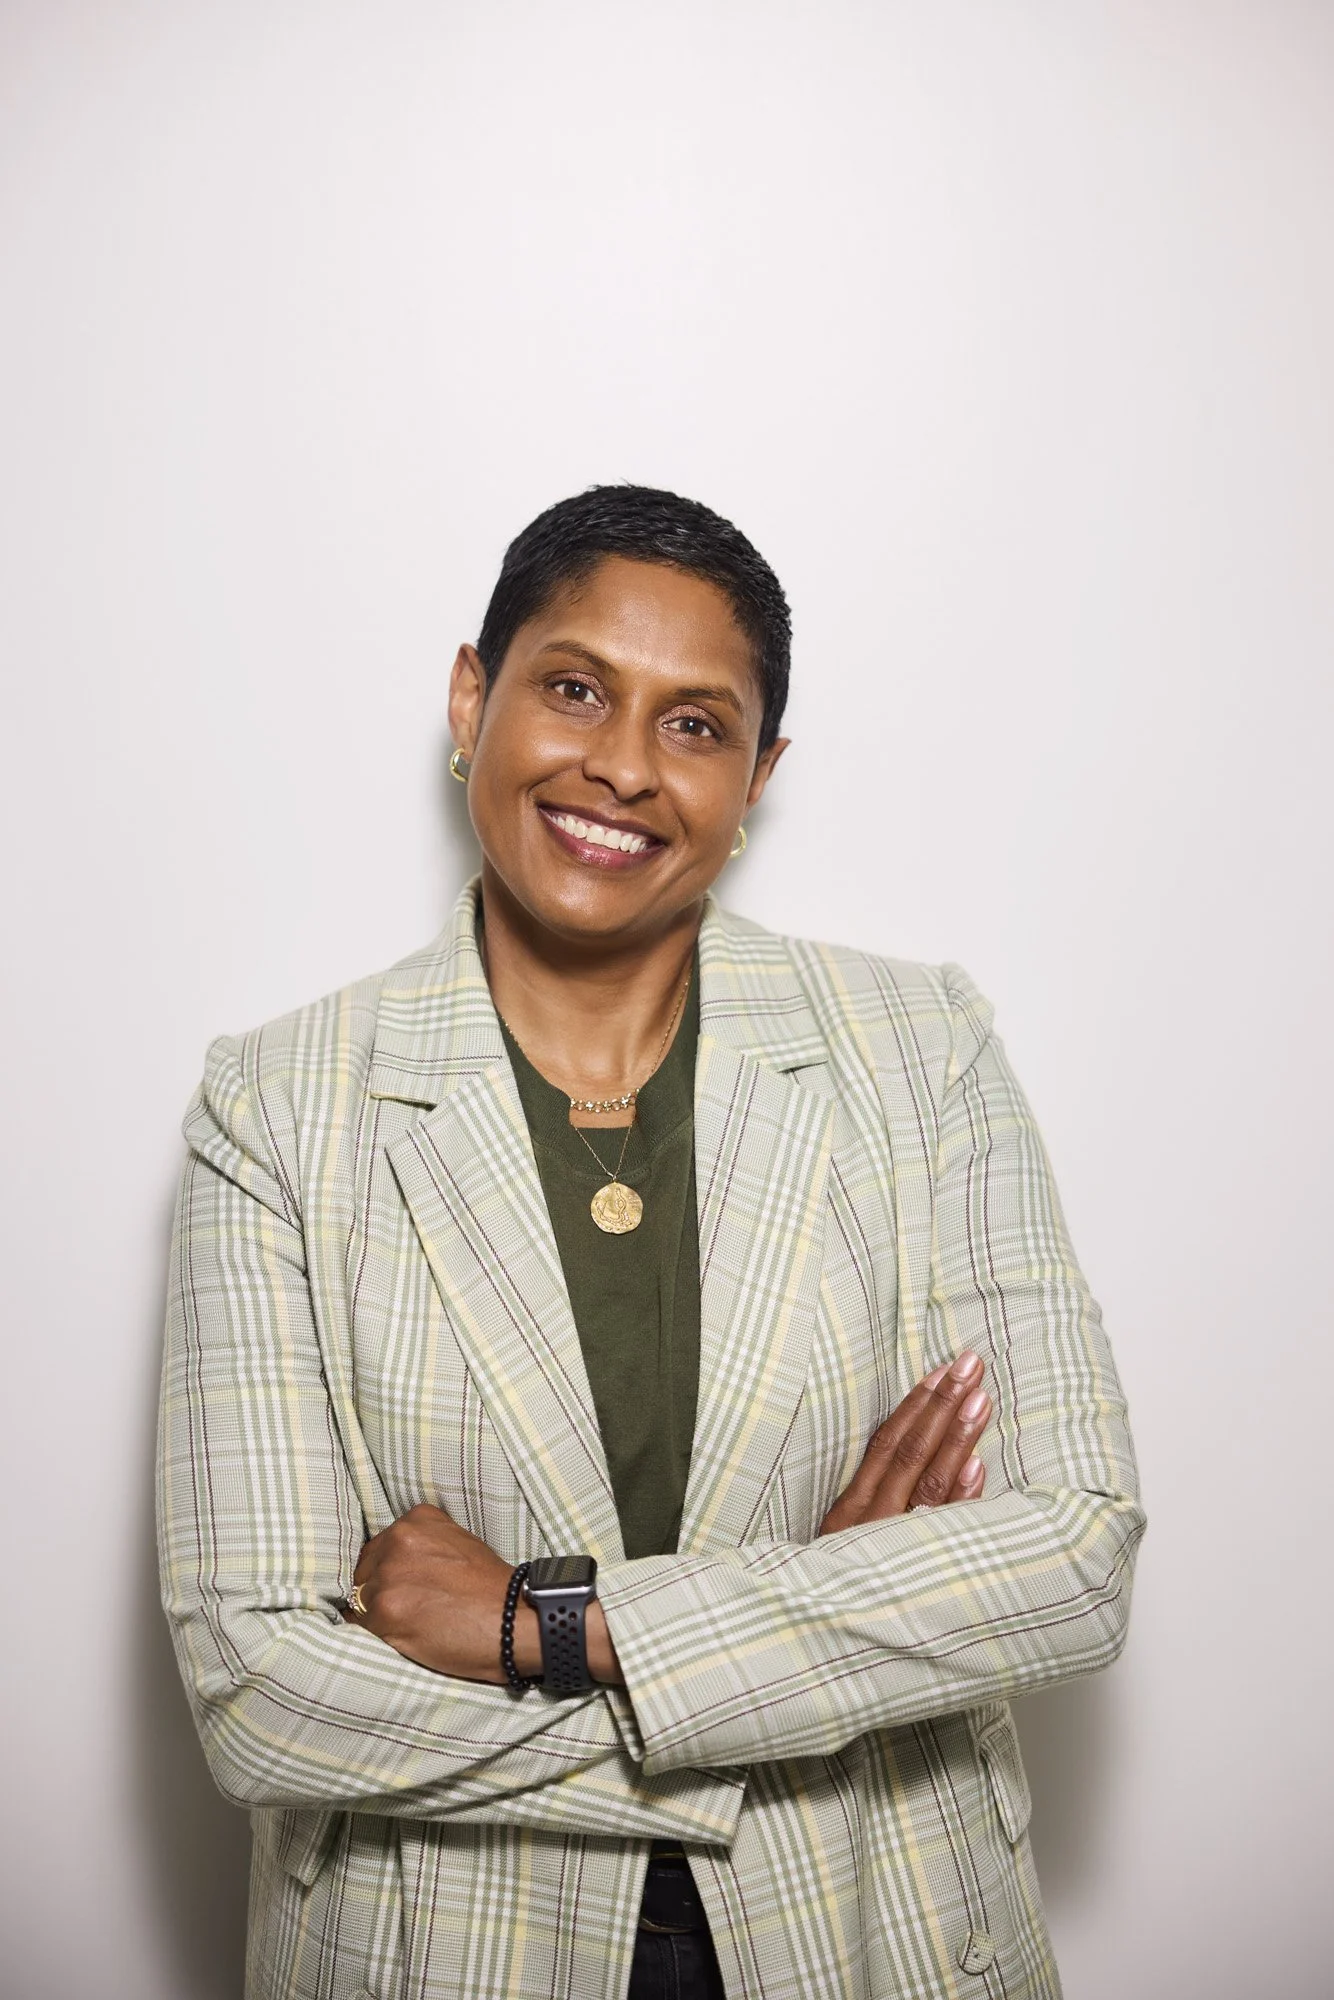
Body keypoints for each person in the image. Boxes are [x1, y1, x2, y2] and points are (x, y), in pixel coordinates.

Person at [157, 485, 1144, 2000]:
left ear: (758, 779)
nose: (622, 765)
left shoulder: (921, 1049)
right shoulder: (278, 1107)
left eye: (694, 725)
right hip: (440, 1952)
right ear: (472, 698)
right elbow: (264, 1697)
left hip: (880, 1928)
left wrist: (546, 1626)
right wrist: (819, 1640)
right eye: (573, 689)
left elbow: (1071, 1557)